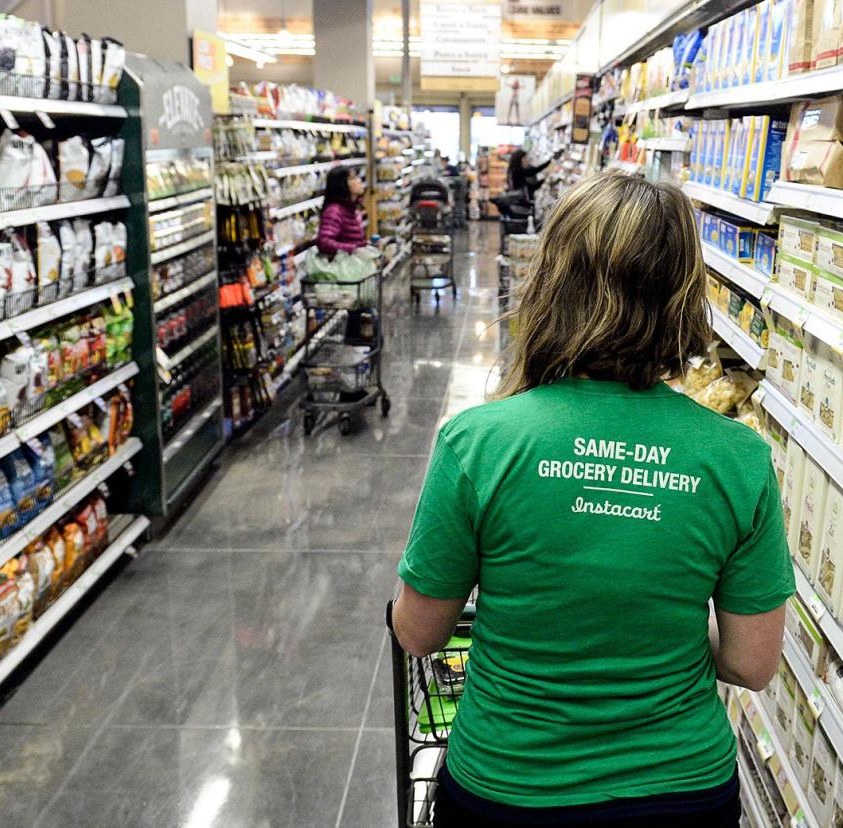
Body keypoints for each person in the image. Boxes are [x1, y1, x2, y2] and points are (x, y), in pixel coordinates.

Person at [392, 172, 793, 827]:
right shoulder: (739, 457)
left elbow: (418, 632)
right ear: (684, 297)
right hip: (681, 791)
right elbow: (751, 664)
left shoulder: (479, 441)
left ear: (553, 284)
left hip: (508, 785)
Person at [316, 166, 366, 257]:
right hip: (342, 268)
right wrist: (353, 249)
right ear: (342, 185)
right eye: (353, 178)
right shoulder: (334, 211)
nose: (359, 180)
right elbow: (324, 242)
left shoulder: (352, 209)